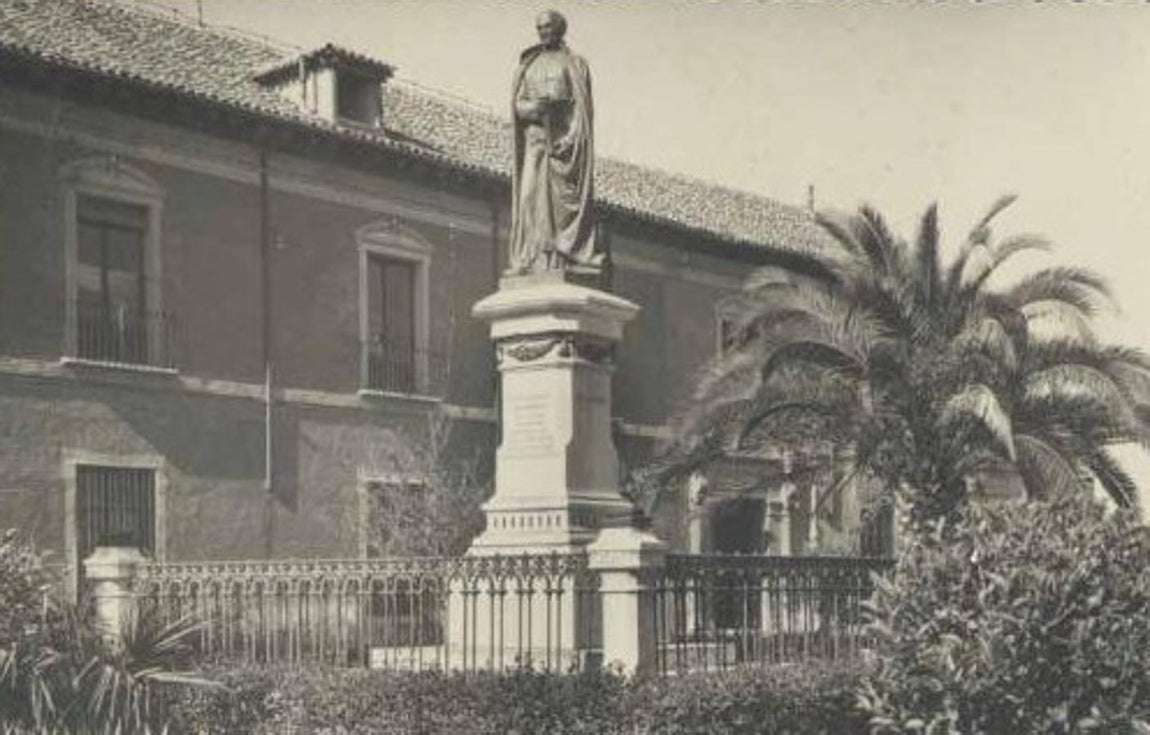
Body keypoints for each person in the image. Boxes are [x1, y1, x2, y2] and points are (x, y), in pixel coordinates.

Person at [508, 10, 604, 274]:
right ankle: (530, 258)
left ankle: (562, 255)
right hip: (535, 142)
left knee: (559, 203)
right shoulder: (529, 65)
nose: (543, 32)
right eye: (539, 27)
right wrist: (533, 109)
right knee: (528, 199)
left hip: (562, 145)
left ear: (560, 28)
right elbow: (518, 104)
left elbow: (582, 112)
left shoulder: (574, 64)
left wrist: (569, 139)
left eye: (548, 26)